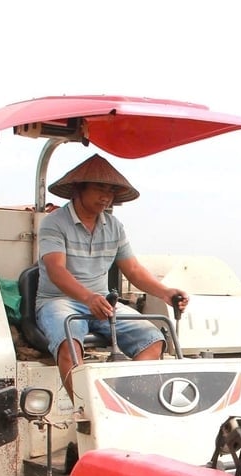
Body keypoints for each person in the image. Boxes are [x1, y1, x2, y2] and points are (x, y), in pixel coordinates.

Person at [35, 154, 188, 399]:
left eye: (110, 191)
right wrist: (88, 298)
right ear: (78, 189)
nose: (106, 196)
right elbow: (56, 271)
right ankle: (86, 408)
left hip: (103, 303)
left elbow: (134, 270)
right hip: (59, 301)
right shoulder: (54, 223)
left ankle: (123, 400)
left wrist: (165, 292)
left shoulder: (114, 226)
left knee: (153, 339)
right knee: (69, 345)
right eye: (99, 188)